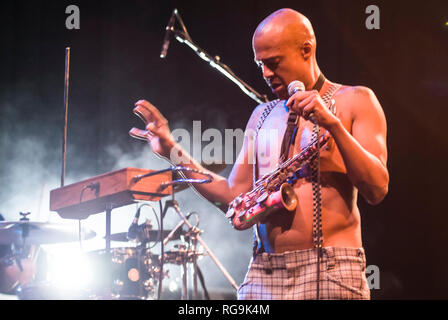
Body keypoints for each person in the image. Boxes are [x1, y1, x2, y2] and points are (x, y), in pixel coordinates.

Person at [134, 8, 388, 299]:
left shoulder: (356, 100)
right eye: (260, 65)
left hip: (330, 270)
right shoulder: (261, 115)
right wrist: (171, 152)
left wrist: (333, 125)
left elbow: (377, 188)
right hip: (264, 273)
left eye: (274, 62)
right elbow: (232, 195)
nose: (266, 73)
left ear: (307, 50)